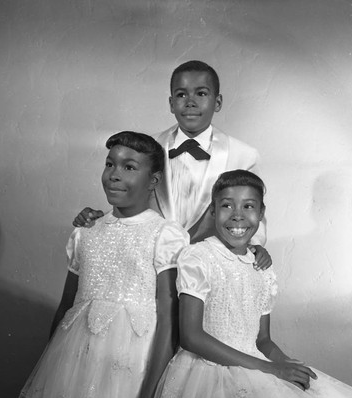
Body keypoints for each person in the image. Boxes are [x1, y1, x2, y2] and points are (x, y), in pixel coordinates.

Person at [127, 170, 352, 398]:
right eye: (227, 206)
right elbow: (191, 337)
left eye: (248, 207)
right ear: (213, 211)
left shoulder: (260, 266)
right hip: (211, 371)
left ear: (261, 214)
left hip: (256, 365)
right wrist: (273, 370)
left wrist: (287, 365)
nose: (238, 216)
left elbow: (262, 341)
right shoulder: (198, 257)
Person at [0, 131, 189, 398]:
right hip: (75, 363)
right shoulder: (86, 231)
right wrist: (50, 370)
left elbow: (169, 320)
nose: (114, 174)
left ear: (152, 181)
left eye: (129, 167)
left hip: (132, 366)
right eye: (109, 164)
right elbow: (67, 306)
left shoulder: (165, 234)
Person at [72, 60, 271, 270]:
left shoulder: (243, 154)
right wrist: (101, 218)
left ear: (218, 102)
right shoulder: (146, 148)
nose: (190, 102)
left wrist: (256, 246)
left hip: (211, 267)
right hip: (151, 264)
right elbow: (132, 197)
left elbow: (253, 210)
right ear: (171, 103)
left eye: (201, 94)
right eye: (181, 94)